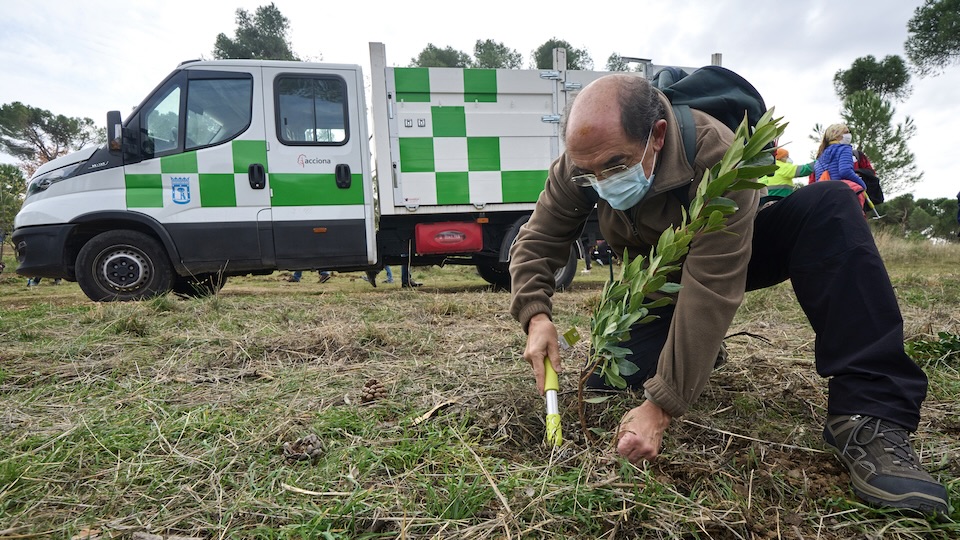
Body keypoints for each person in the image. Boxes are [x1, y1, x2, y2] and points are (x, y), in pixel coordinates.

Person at [508, 74, 948, 515]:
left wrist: (661, 406)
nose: (602, 181)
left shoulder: (717, 152)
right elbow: (538, 240)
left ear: (657, 135)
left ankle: (869, 413)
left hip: (740, 248)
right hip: (659, 275)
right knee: (612, 382)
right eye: (590, 174)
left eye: (617, 165)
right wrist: (537, 316)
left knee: (830, 205)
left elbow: (711, 285)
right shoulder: (583, 160)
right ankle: (700, 353)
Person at [812, 123, 867, 208]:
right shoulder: (844, 148)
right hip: (842, 193)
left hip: (825, 197)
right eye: (846, 132)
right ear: (837, 135)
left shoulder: (820, 156)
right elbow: (845, 171)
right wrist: (862, 185)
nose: (849, 135)